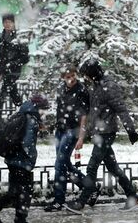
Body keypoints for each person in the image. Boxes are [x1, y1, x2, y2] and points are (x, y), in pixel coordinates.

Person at [65, 59, 138, 212]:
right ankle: (133, 197)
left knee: (92, 166)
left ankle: (81, 202)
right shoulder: (96, 86)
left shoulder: (109, 86)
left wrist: (131, 130)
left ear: (93, 74)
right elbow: (94, 111)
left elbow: (121, 109)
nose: (85, 78)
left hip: (106, 132)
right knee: (113, 167)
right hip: (100, 132)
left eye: (87, 74)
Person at [0, 95, 49, 223]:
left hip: (12, 158)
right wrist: (31, 159)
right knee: (24, 191)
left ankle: (18, 218)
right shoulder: (31, 119)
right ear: (37, 108)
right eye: (43, 109)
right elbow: (27, 143)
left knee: (17, 191)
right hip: (21, 161)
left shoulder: (22, 113)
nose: (44, 112)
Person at [44, 66, 92, 212]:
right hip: (60, 130)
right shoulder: (61, 89)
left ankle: (59, 200)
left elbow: (84, 116)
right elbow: (60, 109)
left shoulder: (81, 90)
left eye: (73, 75)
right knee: (64, 163)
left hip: (73, 130)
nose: (71, 79)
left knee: (59, 164)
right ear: (63, 78)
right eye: (67, 77)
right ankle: (89, 187)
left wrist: (81, 138)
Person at [0, 13, 29, 126]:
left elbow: (25, 57)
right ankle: (27, 115)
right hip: (5, 71)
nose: (7, 24)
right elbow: (0, 56)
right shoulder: (2, 36)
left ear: (13, 23)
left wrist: (12, 64)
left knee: (1, 97)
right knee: (15, 96)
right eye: (5, 22)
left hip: (14, 71)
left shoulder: (19, 37)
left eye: (9, 22)